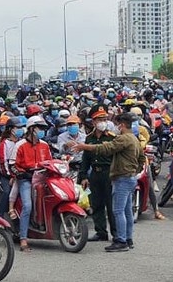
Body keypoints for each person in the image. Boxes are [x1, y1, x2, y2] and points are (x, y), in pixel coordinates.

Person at [73, 112, 144, 252]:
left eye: (117, 124)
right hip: (123, 177)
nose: (115, 126)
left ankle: (121, 240)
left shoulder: (122, 138)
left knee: (117, 210)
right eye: (100, 119)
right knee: (124, 210)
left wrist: (84, 147)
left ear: (122, 125)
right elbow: (142, 158)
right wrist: (134, 171)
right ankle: (125, 238)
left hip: (120, 177)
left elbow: (105, 148)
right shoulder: (133, 139)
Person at [10, 115, 52, 252]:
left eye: (44, 128)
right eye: (40, 128)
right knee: (27, 206)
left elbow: (51, 162)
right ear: (32, 129)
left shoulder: (45, 145)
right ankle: (23, 238)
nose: (42, 131)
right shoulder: (20, 145)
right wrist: (23, 173)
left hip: (42, 179)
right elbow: (12, 165)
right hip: (26, 180)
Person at [77, 105, 116, 242]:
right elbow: (85, 159)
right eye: (100, 119)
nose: (103, 121)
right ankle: (101, 232)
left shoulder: (112, 138)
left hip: (109, 174)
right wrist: (83, 176)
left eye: (105, 118)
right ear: (93, 122)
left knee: (111, 206)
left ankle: (116, 234)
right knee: (96, 204)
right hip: (95, 173)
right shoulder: (89, 138)